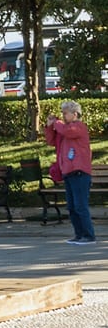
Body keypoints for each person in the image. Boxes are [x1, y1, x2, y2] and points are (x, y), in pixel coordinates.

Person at [42, 102, 96, 245]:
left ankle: (89, 235)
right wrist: (49, 126)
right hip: (68, 171)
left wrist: (57, 123)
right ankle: (79, 234)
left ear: (75, 114)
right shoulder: (63, 129)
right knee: (71, 207)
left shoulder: (78, 127)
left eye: (65, 113)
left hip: (80, 172)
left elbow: (67, 131)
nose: (63, 116)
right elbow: (51, 140)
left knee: (80, 205)